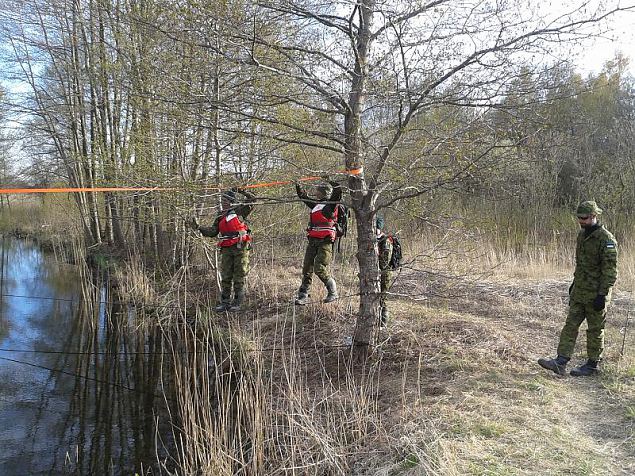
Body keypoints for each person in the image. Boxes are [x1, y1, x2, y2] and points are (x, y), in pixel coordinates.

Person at [538, 200, 618, 376]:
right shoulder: (582, 235)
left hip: (597, 294)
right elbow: (581, 265)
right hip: (580, 292)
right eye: (579, 218)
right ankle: (560, 361)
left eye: (584, 218)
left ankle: (592, 365)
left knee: (595, 330)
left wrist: (602, 294)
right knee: (570, 325)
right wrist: (574, 284)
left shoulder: (606, 240)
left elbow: (610, 272)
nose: (581, 221)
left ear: (594, 216)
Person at [193, 187, 256, 312]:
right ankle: (225, 302)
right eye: (223, 200)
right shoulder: (220, 216)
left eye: (226, 200)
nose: (224, 202)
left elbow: (252, 199)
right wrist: (198, 227)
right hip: (226, 248)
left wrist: (241, 190)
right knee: (226, 276)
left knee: (239, 275)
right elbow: (212, 232)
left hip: (240, 247)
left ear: (232, 201)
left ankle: (237, 302)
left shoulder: (240, 211)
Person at [294, 178, 342, 305]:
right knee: (307, 269)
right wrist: (298, 185)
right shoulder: (315, 204)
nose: (315, 192)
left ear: (324, 192)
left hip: (325, 241)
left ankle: (333, 292)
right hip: (313, 240)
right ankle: (303, 295)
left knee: (319, 268)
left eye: (318, 191)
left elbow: (338, 191)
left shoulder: (331, 203)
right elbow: (303, 196)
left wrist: (329, 180)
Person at [376, 215, 393, 328]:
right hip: (375, 273)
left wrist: (376, 253)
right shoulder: (374, 240)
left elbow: (384, 262)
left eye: (376, 227)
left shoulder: (386, 241)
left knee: (383, 298)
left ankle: (383, 323)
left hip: (384, 273)